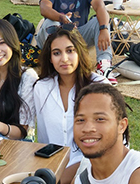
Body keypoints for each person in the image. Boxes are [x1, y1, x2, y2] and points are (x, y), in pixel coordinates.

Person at [24, 28, 108, 176]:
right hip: (53, 167)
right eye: (56, 53)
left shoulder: (99, 86)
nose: (64, 58)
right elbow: (42, 137)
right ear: (50, 58)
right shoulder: (41, 88)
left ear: (79, 52)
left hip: (92, 167)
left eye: (70, 51)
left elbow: (112, 139)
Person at [38, 0, 114, 78]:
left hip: (77, 36)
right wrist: (61, 17)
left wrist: (104, 28)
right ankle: (53, 67)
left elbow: (100, 7)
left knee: (98, 21)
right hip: (53, 35)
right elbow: (44, 8)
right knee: (51, 23)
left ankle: (104, 66)